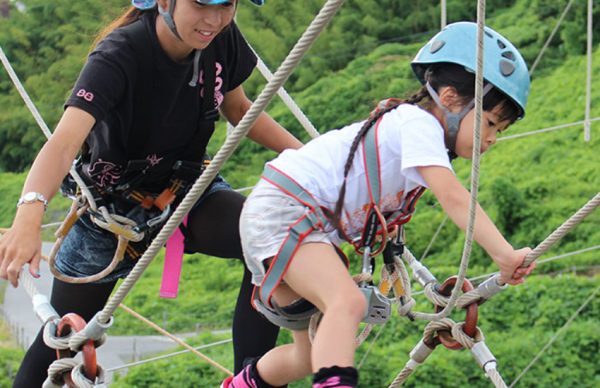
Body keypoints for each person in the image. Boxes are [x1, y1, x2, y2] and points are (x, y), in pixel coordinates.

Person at [0, 0, 303, 386]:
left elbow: (240, 107)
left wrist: (312, 158)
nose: (214, 19)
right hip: (113, 214)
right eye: (201, 4)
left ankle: (250, 379)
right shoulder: (118, 55)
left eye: (227, 4)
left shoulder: (221, 39)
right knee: (63, 341)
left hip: (187, 194)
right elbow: (62, 144)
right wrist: (29, 214)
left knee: (268, 241)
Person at [226, 22, 538, 388]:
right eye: (488, 123)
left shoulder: (412, 134)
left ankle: (240, 385)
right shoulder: (419, 125)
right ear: (451, 98)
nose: (492, 138)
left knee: (311, 352)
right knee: (347, 303)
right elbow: (454, 197)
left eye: (499, 130)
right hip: (287, 209)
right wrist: (504, 254)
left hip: (292, 222)